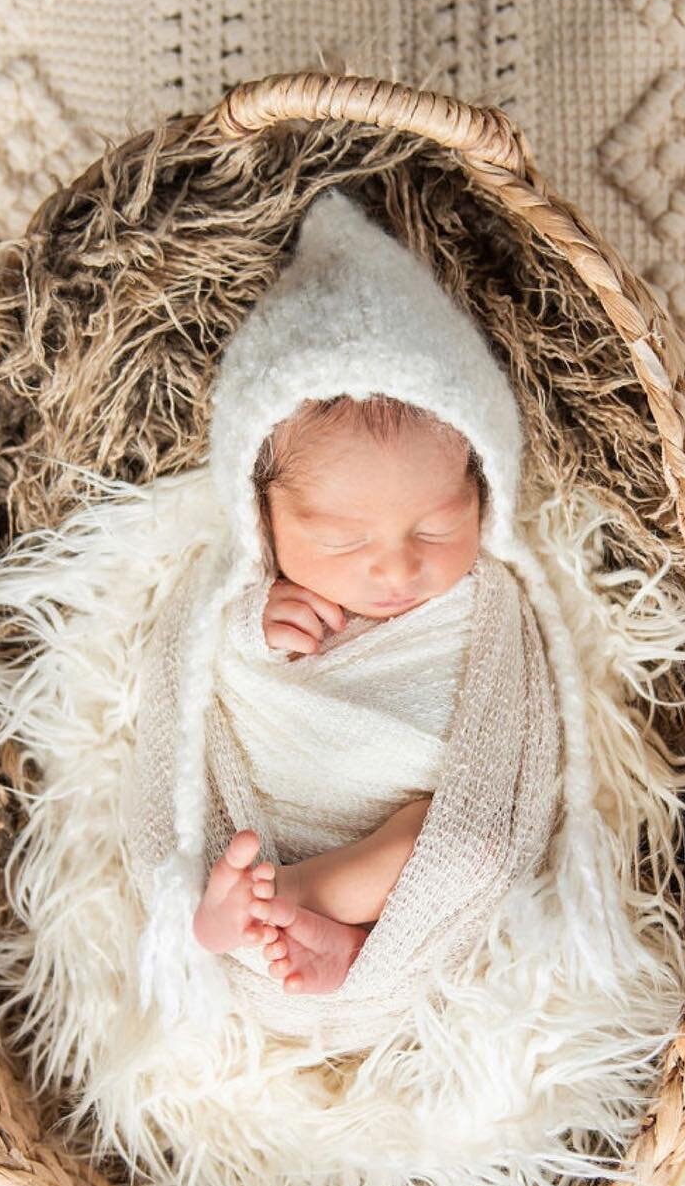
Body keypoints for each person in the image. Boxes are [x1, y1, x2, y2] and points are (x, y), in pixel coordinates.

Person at [191, 391, 486, 995]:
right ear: (262, 517)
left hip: (417, 831)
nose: (399, 571)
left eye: (438, 527)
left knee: (459, 844)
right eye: (344, 542)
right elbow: (191, 655)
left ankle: (287, 898)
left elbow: (515, 735)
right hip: (283, 805)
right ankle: (250, 911)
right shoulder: (262, 600)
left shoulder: (484, 602)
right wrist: (248, 623)